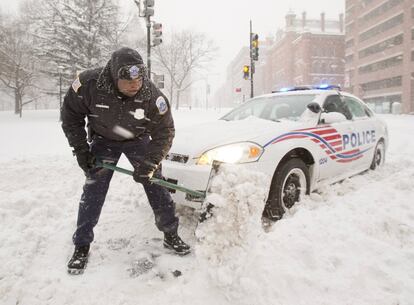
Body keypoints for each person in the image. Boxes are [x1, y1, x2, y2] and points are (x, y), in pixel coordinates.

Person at [61, 47, 190, 274]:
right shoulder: (88, 84)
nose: (135, 85)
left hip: (138, 140)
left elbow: (165, 132)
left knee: (156, 184)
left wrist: (150, 164)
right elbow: (70, 115)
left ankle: (170, 234)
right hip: (103, 140)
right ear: (113, 76)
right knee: (94, 190)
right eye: (128, 80)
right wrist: (81, 150)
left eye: (139, 79)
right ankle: (82, 244)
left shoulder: (153, 96)